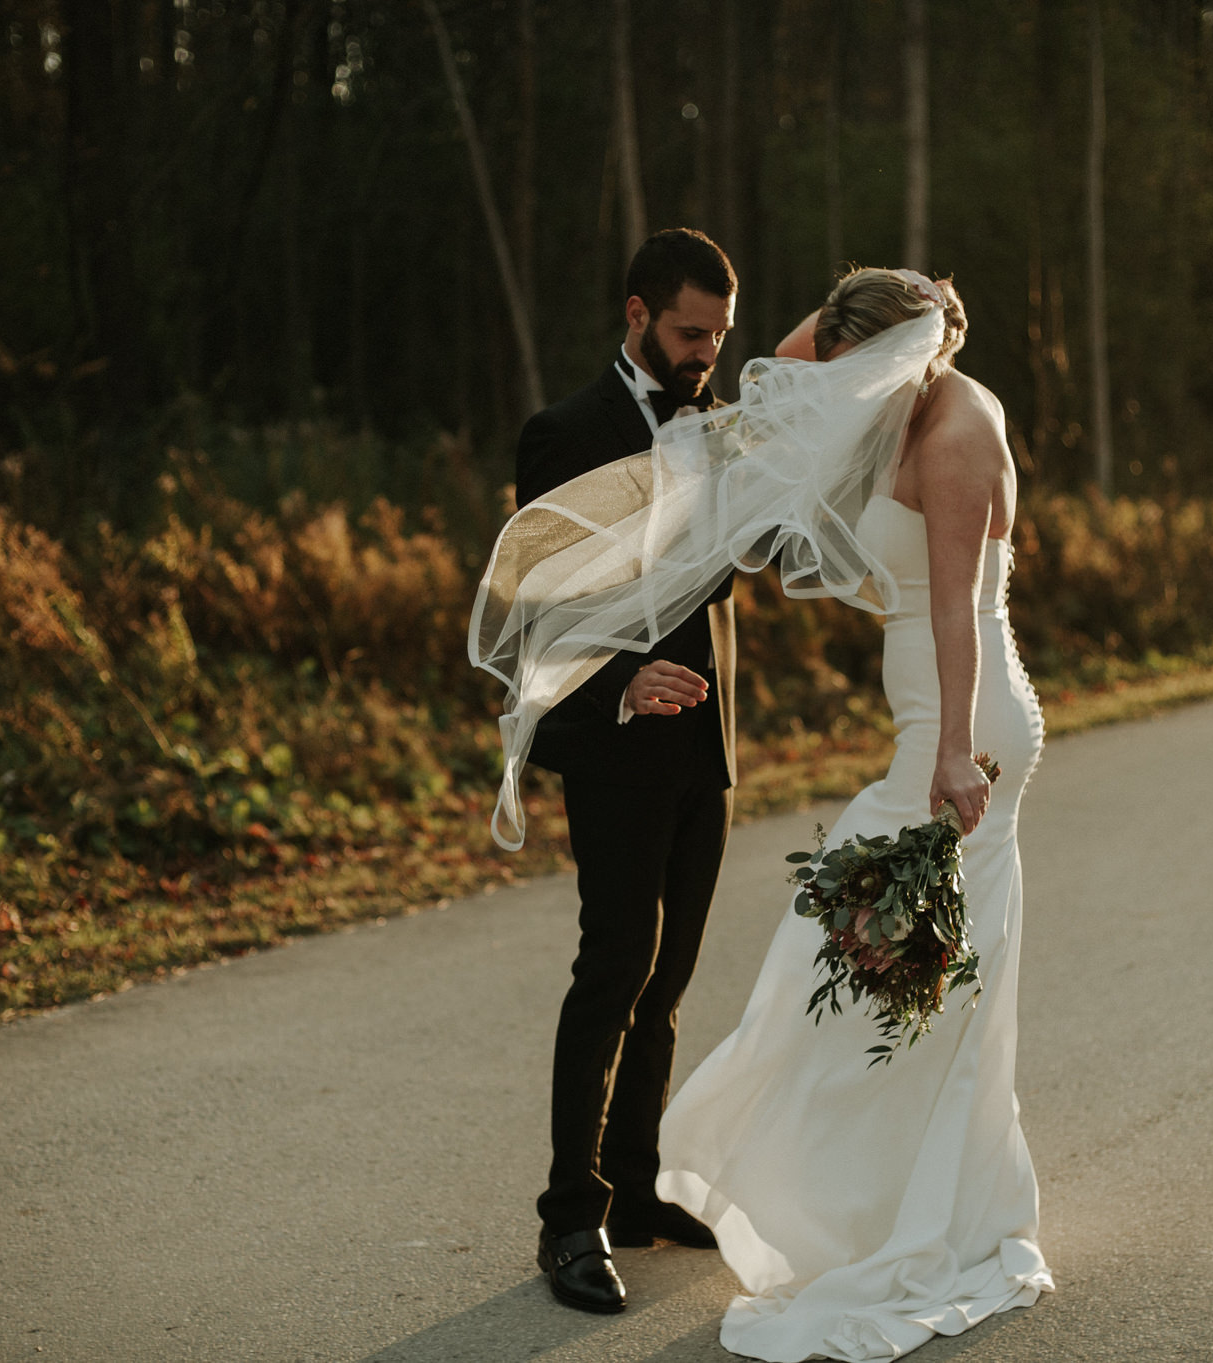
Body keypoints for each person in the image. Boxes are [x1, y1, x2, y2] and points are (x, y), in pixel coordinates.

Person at [654, 268, 1054, 1361]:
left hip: (960, 738)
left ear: (913, 352)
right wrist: (870, 311)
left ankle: (920, 1217)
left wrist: (949, 758)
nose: (850, 385)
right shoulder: (912, 393)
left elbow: (960, 610)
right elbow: (775, 372)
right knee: (908, 982)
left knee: (874, 967)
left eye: (866, 361)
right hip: (931, 732)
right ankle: (897, 1199)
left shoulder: (960, 429)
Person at [516, 228, 740, 1315]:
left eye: (718, 336)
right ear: (636, 313)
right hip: (609, 744)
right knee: (611, 971)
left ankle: (639, 1187)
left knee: (667, 984)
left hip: (704, 749)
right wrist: (623, 679)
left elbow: (725, 579)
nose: (705, 352)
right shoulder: (562, 434)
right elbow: (541, 607)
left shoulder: (715, 426)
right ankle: (570, 1215)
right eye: (690, 332)